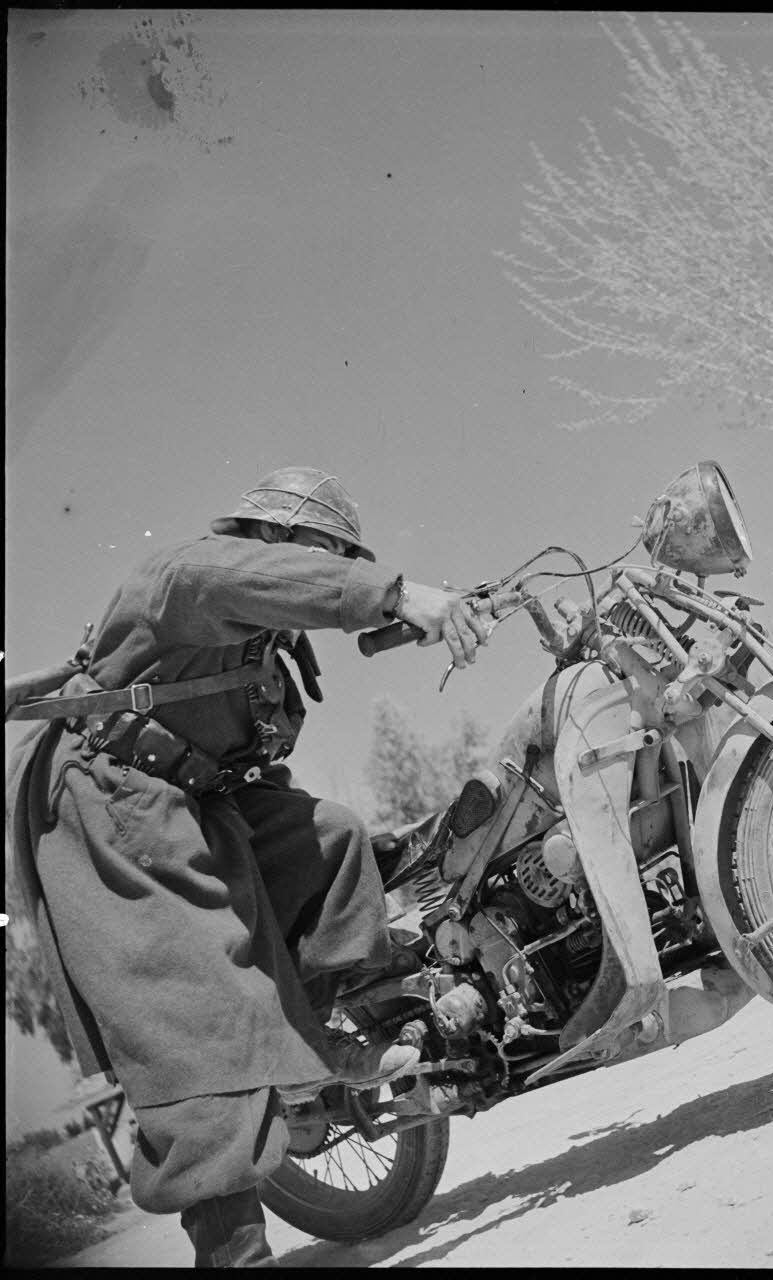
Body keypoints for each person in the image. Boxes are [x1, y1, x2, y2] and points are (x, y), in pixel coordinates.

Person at [5, 467, 490, 1267]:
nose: (327, 571)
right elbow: (256, 581)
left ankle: (316, 1045)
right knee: (196, 1033)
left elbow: (253, 762)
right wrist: (393, 593)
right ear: (270, 538)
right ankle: (233, 1252)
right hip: (106, 804)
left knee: (329, 838)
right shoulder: (189, 575)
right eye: (321, 555)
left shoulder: (269, 652)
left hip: (195, 803)